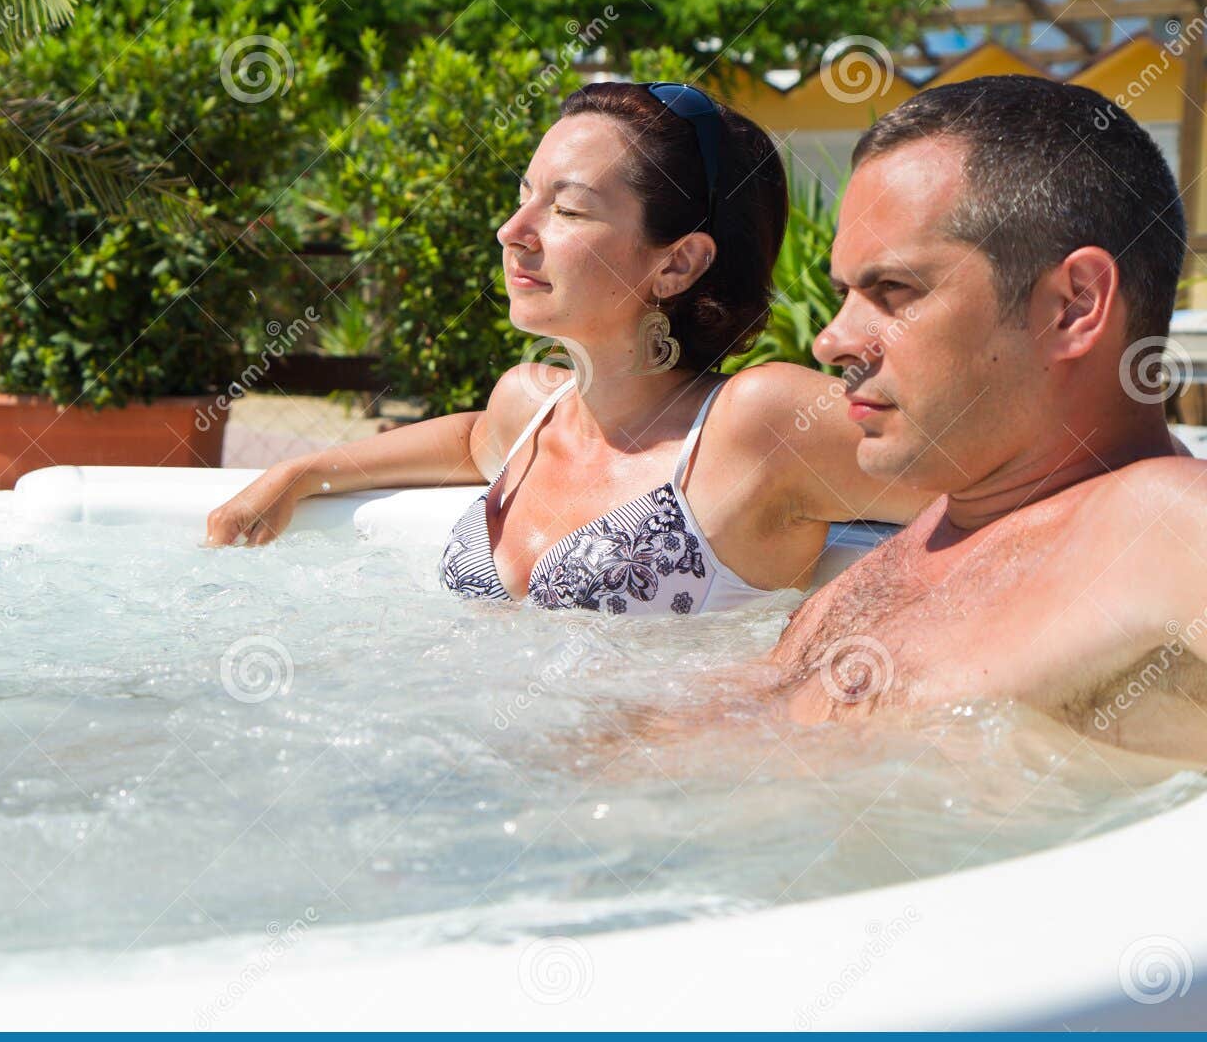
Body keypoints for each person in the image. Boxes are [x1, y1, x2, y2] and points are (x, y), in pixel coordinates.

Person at [206, 82, 931, 615]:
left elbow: (997, 480)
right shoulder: (529, 407)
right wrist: (301, 471)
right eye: (524, 194)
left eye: (568, 208)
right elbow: (467, 440)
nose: (513, 230)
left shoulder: (754, 427)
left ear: (677, 262)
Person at [737, 75, 1205, 759]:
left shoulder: (1157, 525)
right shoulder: (920, 542)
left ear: (1074, 305)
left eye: (892, 289)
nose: (831, 339)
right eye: (843, 294)